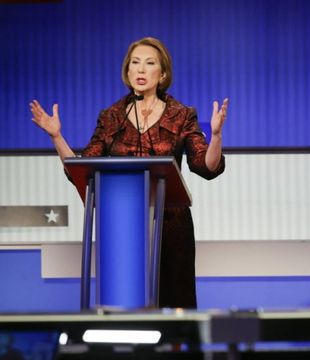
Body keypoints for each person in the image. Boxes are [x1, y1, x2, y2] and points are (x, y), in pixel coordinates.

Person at [30, 37, 228, 309]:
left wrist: (216, 136)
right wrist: (57, 137)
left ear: (163, 74)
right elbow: (81, 168)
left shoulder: (181, 115)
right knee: (126, 305)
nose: (141, 70)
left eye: (149, 64)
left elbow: (205, 166)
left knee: (173, 304)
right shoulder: (111, 117)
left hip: (170, 227)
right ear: (127, 72)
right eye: (135, 63)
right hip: (123, 226)